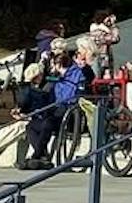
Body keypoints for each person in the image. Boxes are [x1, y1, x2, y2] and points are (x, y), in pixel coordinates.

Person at [22, 37, 94, 169]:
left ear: (59, 65)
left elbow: (79, 96)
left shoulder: (77, 76)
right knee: (31, 126)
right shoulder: (58, 79)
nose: (53, 69)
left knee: (47, 124)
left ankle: (35, 157)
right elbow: (47, 96)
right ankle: (42, 157)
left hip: (69, 113)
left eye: (55, 66)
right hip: (54, 112)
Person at [87, 11, 120, 78]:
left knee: (105, 73)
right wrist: (113, 26)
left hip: (104, 54)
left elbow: (116, 39)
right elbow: (114, 38)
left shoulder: (95, 27)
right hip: (99, 54)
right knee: (99, 74)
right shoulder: (98, 28)